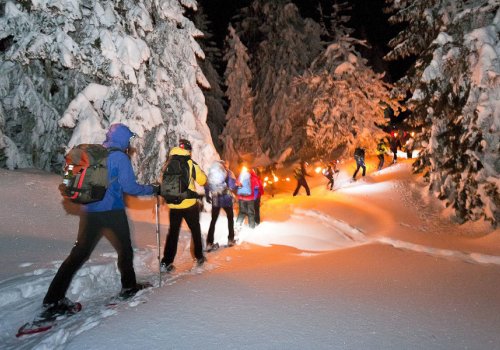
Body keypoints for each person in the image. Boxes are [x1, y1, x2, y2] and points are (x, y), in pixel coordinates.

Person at [42, 123, 157, 319]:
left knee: (78, 255)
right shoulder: (120, 157)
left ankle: (52, 300)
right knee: (125, 250)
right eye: (128, 139)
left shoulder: (96, 154)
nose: (129, 143)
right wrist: (153, 189)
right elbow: (130, 187)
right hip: (113, 211)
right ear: (122, 140)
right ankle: (128, 287)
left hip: (89, 212)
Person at [160, 139, 207, 273]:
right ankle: (199, 257)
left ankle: (167, 261)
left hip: (173, 205)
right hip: (189, 204)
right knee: (195, 230)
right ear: (189, 150)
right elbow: (202, 180)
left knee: (173, 233)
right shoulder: (190, 163)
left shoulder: (168, 162)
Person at [205, 160, 237, 250]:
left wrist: (207, 195)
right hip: (226, 199)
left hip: (215, 199)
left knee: (213, 221)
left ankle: (209, 243)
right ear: (225, 165)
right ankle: (230, 239)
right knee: (230, 219)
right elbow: (232, 186)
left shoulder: (212, 173)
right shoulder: (228, 173)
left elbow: (207, 185)